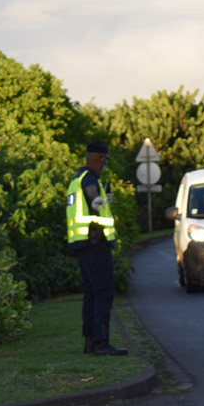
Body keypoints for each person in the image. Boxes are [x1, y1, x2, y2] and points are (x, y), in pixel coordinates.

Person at [66, 140, 128, 356]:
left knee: (91, 294)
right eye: (105, 160)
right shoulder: (89, 180)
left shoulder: (77, 179)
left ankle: (91, 341)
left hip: (82, 246)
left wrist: (102, 200)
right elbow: (91, 192)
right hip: (95, 245)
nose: (105, 165)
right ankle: (101, 343)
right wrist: (98, 200)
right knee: (103, 293)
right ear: (101, 158)